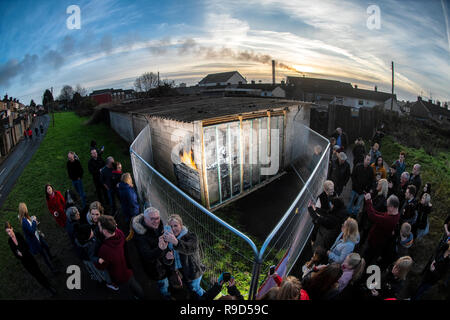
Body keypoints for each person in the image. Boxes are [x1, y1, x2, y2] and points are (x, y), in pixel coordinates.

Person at [95, 215, 145, 299]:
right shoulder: (119, 233)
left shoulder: (104, 249)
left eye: (99, 226)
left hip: (118, 277)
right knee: (136, 287)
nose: (98, 228)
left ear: (105, 231)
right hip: (127, 270)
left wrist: (96, 259)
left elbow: (101, 266)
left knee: (125, 294)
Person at [129, 207, 172, 299]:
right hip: (156, 269)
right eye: (152, 219)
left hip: (165, 264)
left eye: (157, 218)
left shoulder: (160, 226)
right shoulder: (141, 236)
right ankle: (165, 295)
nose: (156, 221)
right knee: (163, 285)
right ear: (145, 219)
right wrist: (160, 249)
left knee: (167, 282)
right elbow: (147, 256)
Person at [5, 222, 56, 295]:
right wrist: (19, 255)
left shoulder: (18, 235)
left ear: (12, 228)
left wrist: (22, 253)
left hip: (29, 257)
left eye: (9, 231)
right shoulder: (9, 242)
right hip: (25, 262)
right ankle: (48, 288)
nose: (9, 233)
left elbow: (26, 246)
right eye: (7, 232)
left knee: (38, 271)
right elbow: (15, 254)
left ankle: (48, 284)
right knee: (36, 275)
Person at [163, 214, 206, 298]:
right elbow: (167, 261)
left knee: (196, 289)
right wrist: (168, 258)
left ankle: (207, 297)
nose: (173, 229)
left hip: (193, 272)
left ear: (181, 225)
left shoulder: (191, 236)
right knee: (191, 290)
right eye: (171, 226)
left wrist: (176, 242)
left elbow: (190, 249)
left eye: (175, 225)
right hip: (181, 274)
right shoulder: (168, 240)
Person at [74, 224, 116, 290]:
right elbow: (91, 257)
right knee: (103, 272)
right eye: (91, 231)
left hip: (89, 257)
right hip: (94, 260)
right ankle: (109, 283)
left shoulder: (81, 237)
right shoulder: (90, 245)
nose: (92, 231)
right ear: (87, 236)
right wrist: (98, 259)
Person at [362, 194, 400, 265]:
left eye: (388, 206)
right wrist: (371, 206)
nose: (386, 207)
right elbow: (379, 214)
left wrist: (368, 201)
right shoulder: (394, 214)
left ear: (392, 207)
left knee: (365, 261)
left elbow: (372, 216)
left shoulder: (390, 220)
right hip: (374, 242)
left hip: (374, 245)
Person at [18, 202, 57, 273]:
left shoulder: (26, 217)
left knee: (46, 247)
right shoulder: (24, 222)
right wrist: (33, 222)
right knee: (44, 256)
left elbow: (33, 229)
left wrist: (34, 222)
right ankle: (53, 270)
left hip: (38, 237)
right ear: (24, 209)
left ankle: (51, 257)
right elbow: (32, 232)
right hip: (35, 241)